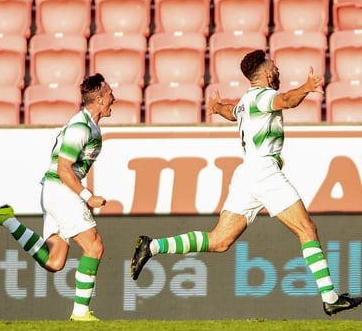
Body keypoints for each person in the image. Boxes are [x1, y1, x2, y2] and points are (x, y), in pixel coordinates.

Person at [130, 50, 362, 317]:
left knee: (219, 241)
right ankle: (330, 298)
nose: (277, 70)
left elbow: (232, 112)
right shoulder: (263, 97)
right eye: (274, 66)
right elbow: (286, 100)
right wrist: (307, 88)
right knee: (307, 229)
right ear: (265, 73)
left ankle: (153, 246)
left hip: (247, 173)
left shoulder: (245, 101)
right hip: (264, 170)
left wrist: (217, 108)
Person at [0, 74, 114, 322]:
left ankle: (8, 220)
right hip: (61, 189)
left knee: (54, 261)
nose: (115, 98)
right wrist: (87, 196)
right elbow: (63, 169)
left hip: (54, 190)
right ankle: (80, 313)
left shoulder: (86, 124)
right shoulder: (81, 128)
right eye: (110, 93)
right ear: (100, 99)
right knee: (94, 246)